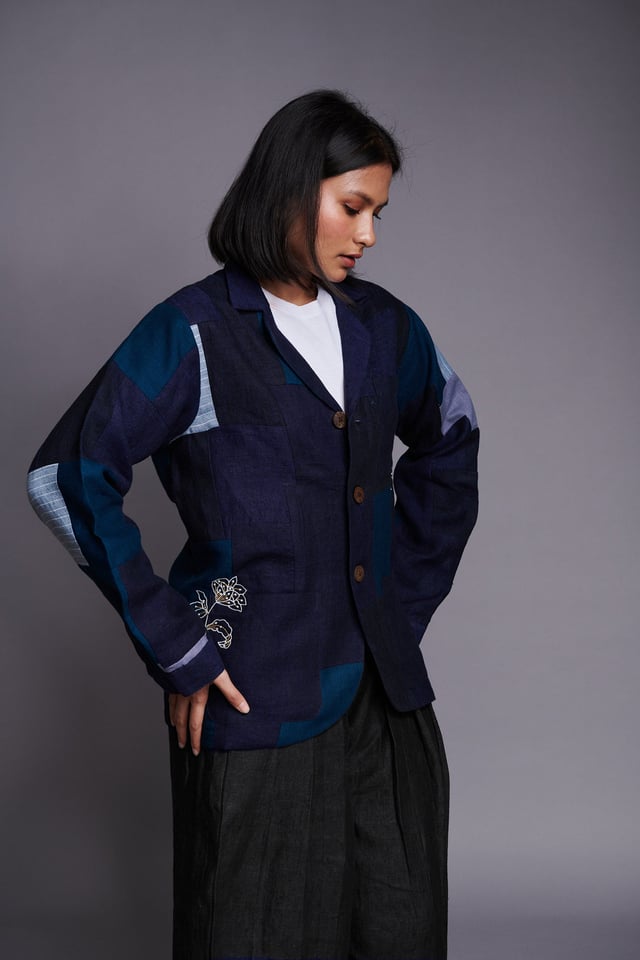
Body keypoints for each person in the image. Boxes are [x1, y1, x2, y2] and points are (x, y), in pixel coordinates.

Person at [27, 90, 479, 960]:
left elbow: (452, 434)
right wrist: (180, 647)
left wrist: (400, 602)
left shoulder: (385, 328)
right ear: (290, 190)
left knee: (401, 932)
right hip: (255, 702)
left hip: (387, 708)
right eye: (353, 207)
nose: (369, 235)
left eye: (379, 213)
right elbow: (64, 477)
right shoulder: (194, 333)